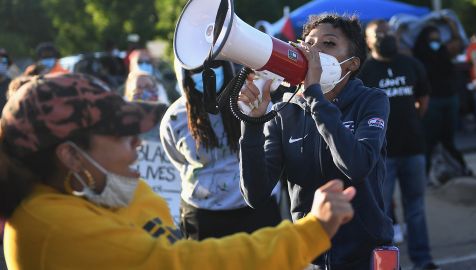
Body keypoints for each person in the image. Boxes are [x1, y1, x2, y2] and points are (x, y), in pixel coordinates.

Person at [0, 73, 357, 270]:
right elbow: (186, 264)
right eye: (121, 134)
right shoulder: (51, 226)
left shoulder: (103, 187)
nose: (137, 144)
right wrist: (311, 232)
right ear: (71, 156)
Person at [238, 14, 393, 269]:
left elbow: (357, 166)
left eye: (328, 44)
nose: (312, 51)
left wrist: (315, 98)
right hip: (310, 258)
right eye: (308, 43)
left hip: (365, 256)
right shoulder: (284, 112)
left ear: (351, 64)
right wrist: (252, 124)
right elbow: (255, 194)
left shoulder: (372, 101)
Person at [160, 60, 282, 240]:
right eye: (197, 69)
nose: (207, 73)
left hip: (255, 210)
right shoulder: (174, 118)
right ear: (184, 74)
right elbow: (177, 159)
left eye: (214, 64)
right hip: (204, 216)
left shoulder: (253, 102)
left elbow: (270, 148)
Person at [359, 19, 438, 270]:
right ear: (367, 41)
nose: (385, 36)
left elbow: (422, 99)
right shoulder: (365, 72)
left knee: (415, 209)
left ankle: (423, 261)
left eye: (389, 32)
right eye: (379, 34)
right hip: (381, 156)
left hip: (414, 148)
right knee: (380, 215)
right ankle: (385, 265)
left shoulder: (411, 64)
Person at [413, 23, 472, 179]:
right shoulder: (418, 56)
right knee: (429, 140)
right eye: (432, 38)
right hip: (432, 102)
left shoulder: (444, 52)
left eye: (438, 38)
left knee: (448, 140)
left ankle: (457, 169)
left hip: (449, 100)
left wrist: (452, 24)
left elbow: (457, 42)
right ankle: (425, 175)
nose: (436, 41)